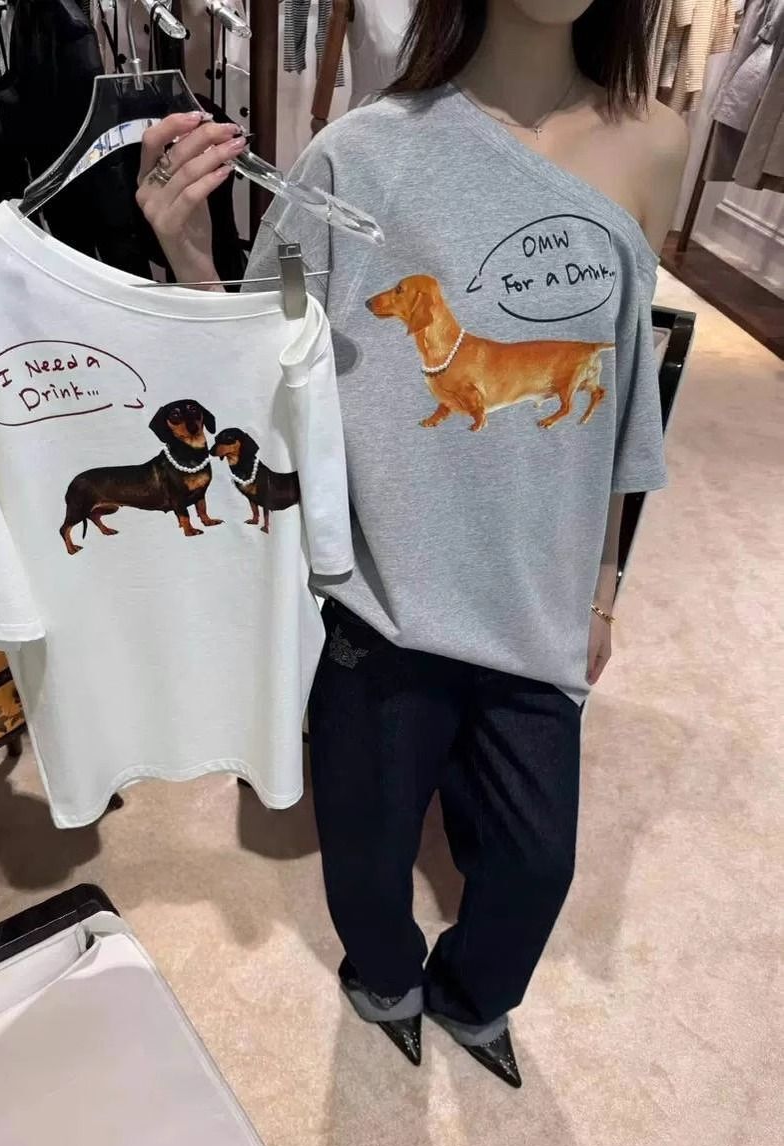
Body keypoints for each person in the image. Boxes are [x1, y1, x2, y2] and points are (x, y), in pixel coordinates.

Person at [135, 0, 688, 1089]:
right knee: (368, 855)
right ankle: (383, 981)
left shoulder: (655, 143)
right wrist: (191, 255)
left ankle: (476, 999)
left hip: (536, 603)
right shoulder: (360, 156)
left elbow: (623, 397)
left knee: (534, 865)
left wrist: (603, 590)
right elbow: (266, 369)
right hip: (382, 600)